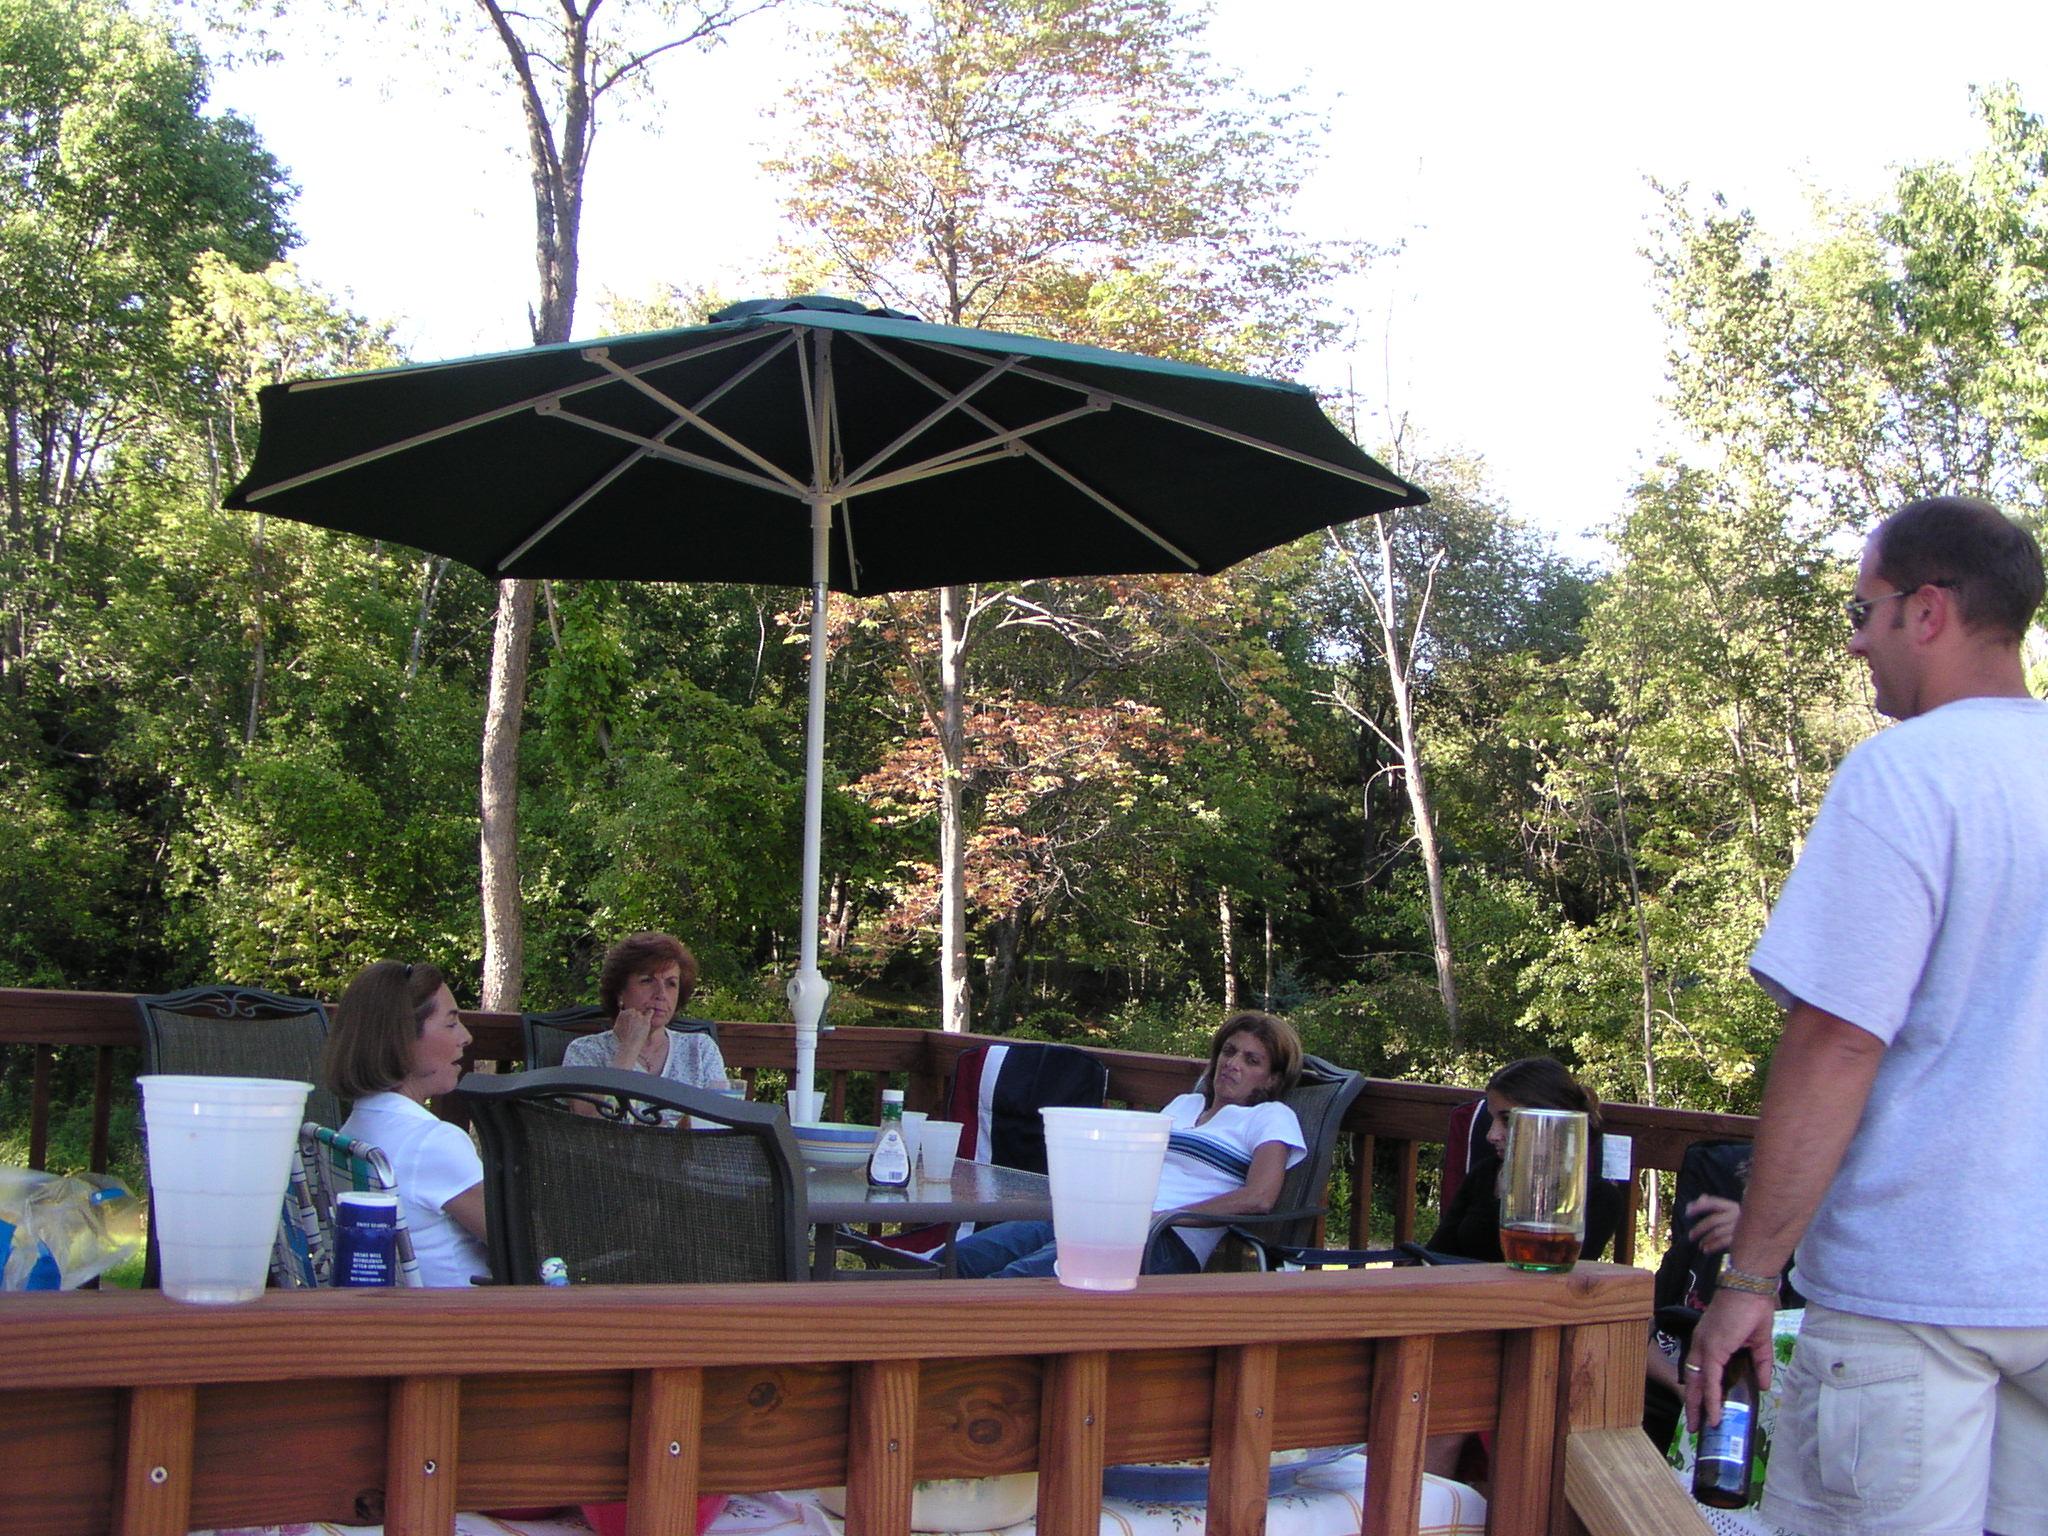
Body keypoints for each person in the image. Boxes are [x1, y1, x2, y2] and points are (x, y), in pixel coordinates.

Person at [1685, 496, 2048, 1536]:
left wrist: (1749, 1280)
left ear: (1925, 611)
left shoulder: (1909, 771)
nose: (1854, 642)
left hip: (1913, 1295)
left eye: (1862, 611)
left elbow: (1837, 1039)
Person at [952, 1011, 1308, 1278]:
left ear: (1272, 1079)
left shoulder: (1270, 1116)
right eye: (1229, 1051)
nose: (1232, 1064)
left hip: (1163, 1239)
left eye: (1251, 1060)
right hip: (1100, 1217)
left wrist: (1165, 1216)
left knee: (1015, 1282)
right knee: (959, 1259)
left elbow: (1259, 1197)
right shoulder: (1184, 1105)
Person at [322, 959, 489, 1287]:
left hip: (395, 1311)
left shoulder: (353, 1132)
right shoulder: (433, 1143)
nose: (466, 1037)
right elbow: (530, 1245)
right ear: (402, 1039)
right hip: (464, 1314)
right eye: (451, 1024)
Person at [1426, 1056, 1624, 1262]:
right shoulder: (1485, 1175)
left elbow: (1561, 1270)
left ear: (1551, 1122)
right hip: (1462, 1282)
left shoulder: (1598, 1197)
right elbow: (1434, 1255)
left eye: (1507, 1120)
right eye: (1492, 1119)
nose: (1491, 1135)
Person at [562, 932, 730, 1091]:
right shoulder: (586, 1051)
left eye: (671, 984)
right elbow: (591, 1111)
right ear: (620, 992)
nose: (661, 994)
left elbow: (721, 1110)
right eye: (647, 980)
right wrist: (629, 1048)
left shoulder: (700, 1049)